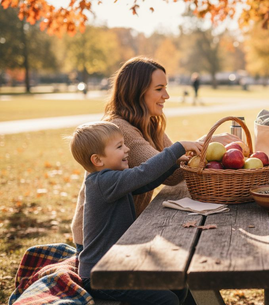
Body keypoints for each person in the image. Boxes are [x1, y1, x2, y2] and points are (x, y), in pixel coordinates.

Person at [71, 57, 238, 252]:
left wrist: (201, 150)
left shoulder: (150, 123)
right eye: (159, 89)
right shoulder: (120, 128)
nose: (166, 95)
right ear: (136, 93)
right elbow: (152, 169)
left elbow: (172, 175)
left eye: (165, 88)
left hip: (126, 227)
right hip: (100, 240)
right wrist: (204, 143)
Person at [69, 121, 203, 304]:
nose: (127, 149)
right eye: (119, 146)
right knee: (166, 300)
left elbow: (145, 183)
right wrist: (177, 149)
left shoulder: (112, 181)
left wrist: (173, 165)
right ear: (98, 160)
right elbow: (143, 173)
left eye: (124, 144)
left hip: (119, 266)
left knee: (178, 286)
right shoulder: (103, 182)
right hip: (100, 275)